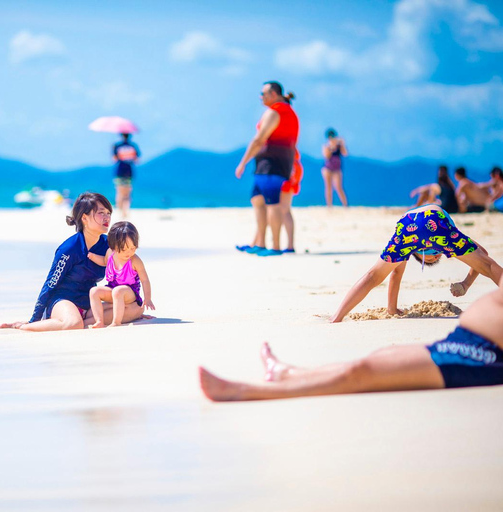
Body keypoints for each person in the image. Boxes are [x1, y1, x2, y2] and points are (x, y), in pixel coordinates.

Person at [199, 274, 503, 401]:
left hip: (478, 357)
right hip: (463, 342)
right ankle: (287, 373)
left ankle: (246, 392)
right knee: (377, 358)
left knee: (364, 373)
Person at [0, 192, 144, 331]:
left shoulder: (108, 245)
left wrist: (130, 304)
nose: (107, 218)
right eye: (101, 213)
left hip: (89, 302)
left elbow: (125, 274)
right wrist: (34, 319)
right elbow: (50, 284)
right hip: (63, 300)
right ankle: (24, 326)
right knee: (74, 323)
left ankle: (84, 320)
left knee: (136, 309)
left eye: (108, 213)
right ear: (84, 218)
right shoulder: (69, 249)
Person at [329, 204, 502, 323]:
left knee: (373, 276)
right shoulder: (447, 239)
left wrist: (392, 309)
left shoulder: (406, 247)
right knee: (487, 266)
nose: (435, 255)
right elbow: (484, 258)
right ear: (415, 254)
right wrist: (465, 284)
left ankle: (336, 317)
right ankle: (337, 316)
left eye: (436, 253)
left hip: (407, 224)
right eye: (432, 255)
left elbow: (396, 274)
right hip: (436, 218)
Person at [235, 81, 299, 257]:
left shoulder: (276, 112)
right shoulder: (289, 113)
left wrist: (243, 162)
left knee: (274, 205)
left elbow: (259, 140)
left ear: (274, 94)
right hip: (273, 164)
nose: (260, 97)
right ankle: (261, 243)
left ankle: (276, 246)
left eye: (263, 94)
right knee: (258, 200)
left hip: (272, 165)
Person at [87, 221, 155, 328]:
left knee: (118, 291)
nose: (129, 252)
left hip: (129, 293)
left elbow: (145, 280)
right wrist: (93, 256)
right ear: (113, 246)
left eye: (133, 248)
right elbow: (104, 262)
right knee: (94, 291)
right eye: (124, 249)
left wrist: (148, 298)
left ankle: (116, 322)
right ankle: (99, 321)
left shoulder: (135, 260)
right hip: (113, 288)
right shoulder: (110, 253)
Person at [113, 133, 141, 219]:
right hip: (129, 172)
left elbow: (114, 159)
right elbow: (137, 160)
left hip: (120, 171)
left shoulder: (117, 146)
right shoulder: (133, 146)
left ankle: (120, 210)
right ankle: (125, 211)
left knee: (119, 191)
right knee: (127, 193)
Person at [321, 128, 348, 207]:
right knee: (328, 188)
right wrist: (332, 147)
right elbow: (326, 156)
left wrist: (342, 144)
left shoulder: (339, 146)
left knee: (338, 187)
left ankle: (345, 205)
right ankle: (329, 206)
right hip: (327, 169)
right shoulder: (326, 146)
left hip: (337, 169)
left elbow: (345, 154)